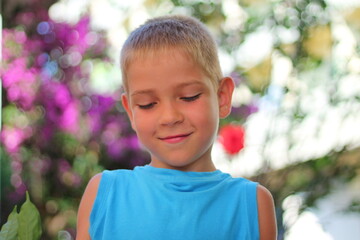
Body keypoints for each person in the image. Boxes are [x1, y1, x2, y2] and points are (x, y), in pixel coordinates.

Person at [76, 15, 277, 240]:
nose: (169, 117)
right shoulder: (104, 194)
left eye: (189, 97)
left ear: (222, 97)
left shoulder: (253, 205)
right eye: (148, 104)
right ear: (131, 111)